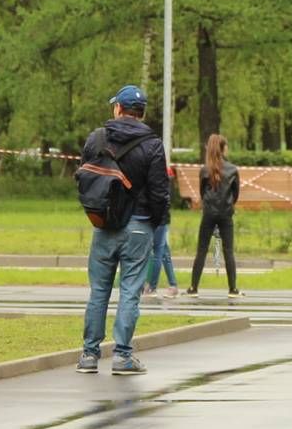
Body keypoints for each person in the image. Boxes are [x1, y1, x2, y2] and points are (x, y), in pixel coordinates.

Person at [76, 85, 169, 376]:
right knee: (130, 291)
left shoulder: (97, 138)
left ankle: (89, 355)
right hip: (139, 225)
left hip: (103, 224)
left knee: (99, 290)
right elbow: (160, 192)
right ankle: (122, 356)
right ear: (141, 113)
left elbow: (85, 175)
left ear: (118, 108)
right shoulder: (153, 144)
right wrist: (156, 223)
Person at [186, 134, 242, 298]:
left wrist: (209, 205)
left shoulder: (205, 170)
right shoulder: (232, 170)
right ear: (223, 148)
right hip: (226, 213)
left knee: (201, 250)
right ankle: (232, 289)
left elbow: (202, 192)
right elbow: (235, 193)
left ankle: (193, 287)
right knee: (228, 251)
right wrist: (228, 204)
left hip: (209, 213)